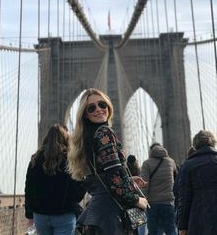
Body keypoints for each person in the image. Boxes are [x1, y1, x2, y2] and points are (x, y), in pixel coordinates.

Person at [67, 88, 148, 235]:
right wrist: (136, 200)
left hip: (97, 212)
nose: (98, 109)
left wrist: (128, 179)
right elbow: (113, 176)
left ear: (108, 106)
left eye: (102, 104)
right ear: (85, 114)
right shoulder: (105, 133)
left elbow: (103, 173)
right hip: (111, 213)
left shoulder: (88, 137)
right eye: (91, 108)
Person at [25, 124, 86, 235]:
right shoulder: (71, 160)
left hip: (40, 215)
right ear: (66, 139)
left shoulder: (35, 160)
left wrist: (29, 214)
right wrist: (72, 202)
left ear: (46, 139)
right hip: (65, 214)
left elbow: (29, 190)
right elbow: (80, 188)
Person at [178, 130, 217, 235]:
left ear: (195, 145)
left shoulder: (188, 165)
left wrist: (182, 226)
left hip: (198, 218)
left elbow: (184, 198)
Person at [141, 144, 177, 235]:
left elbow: (144, 185)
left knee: (154, 231)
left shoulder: (147, 163)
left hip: (152, 204)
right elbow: (176, 181)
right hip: (168, 202)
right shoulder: (171, 162)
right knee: (171, 230)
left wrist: (144, 201)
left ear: (151, 152)